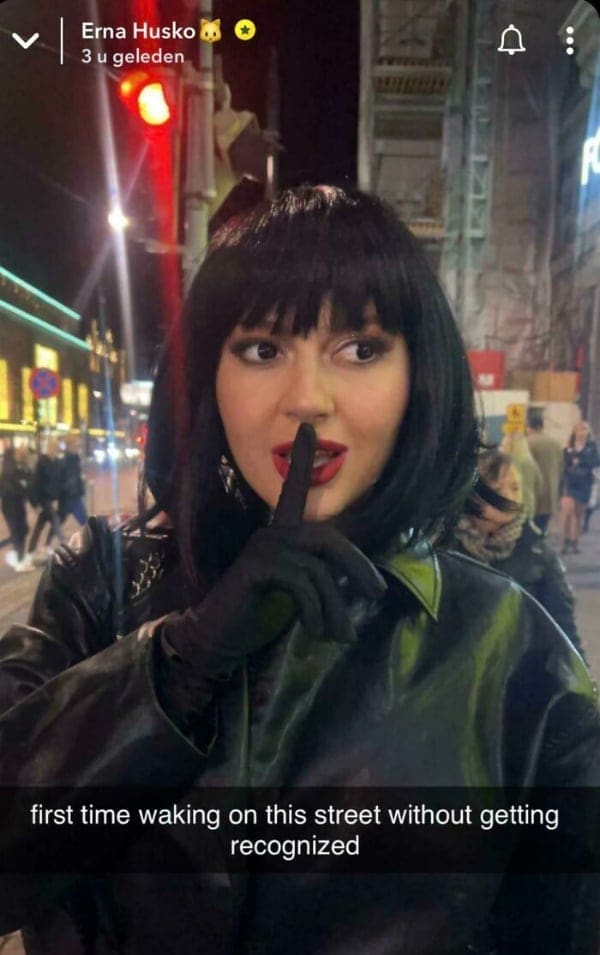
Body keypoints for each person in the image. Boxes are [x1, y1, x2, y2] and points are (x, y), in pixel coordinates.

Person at [0, 187, 598, 954]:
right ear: (207, 376)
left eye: (361, 348)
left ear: (420, 374)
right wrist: (177, 667)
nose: (308, 399)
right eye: (262, 348)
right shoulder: (101, 588)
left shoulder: (513, 651)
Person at [452, 449, 585, 661]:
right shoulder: (447, 550)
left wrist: (581, 677)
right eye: (497, 489)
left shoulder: (538, 554)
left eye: (515, 488)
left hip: (521, 674)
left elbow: (565, 633)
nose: (510, 497)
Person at [560, 420, 600, 554]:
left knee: (577, 515)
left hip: (584, 483)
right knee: (566, 513)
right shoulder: (568, 448)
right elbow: (564, 464)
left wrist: (581, 461)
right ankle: (565, 541)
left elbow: (596, 462)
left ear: (588, 432)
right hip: (569, 483)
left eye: (584, 430)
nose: (581, 433)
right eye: (578, 430)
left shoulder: (592, 447)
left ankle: (574, 542)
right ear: (574, 432)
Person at [26, 435, 65, 559]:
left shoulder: (58, 462)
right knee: (55, 521)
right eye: (53, 446)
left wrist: (57, 499)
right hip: (44, 499)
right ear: (49, 447)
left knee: (40, 525)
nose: (55, 449)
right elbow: (35, 484)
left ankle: (31, 550)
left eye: (56, 447)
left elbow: (58, 482)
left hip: (52, 499)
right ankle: (64, 546)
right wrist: (36, 504)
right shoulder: (42, 462)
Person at [526, 409, 564, 534]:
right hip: (551, 495)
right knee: (542, 528)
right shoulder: (556, 444)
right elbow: (561, 469)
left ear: (529, 427)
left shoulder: (528, 443)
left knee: (531, 531)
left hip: (534, 495)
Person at [0, 446, 35, 573]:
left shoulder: (19, 469)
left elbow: (29, 482)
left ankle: (18, 556)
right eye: (16, 454)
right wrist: (23, 486)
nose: (18, 455)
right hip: (10, 506)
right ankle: (19, 561)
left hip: (19, 505)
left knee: (23, 530)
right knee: (17, 532)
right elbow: (15, 489)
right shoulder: (8, 472)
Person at [499, 431, 542, 521]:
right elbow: (539, 483)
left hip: (508, 505)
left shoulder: (503, 463)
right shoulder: (530, 461)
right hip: (528, 505)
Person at [57, 436, 88, 529]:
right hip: (70, 496)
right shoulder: (68, 460)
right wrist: (73, 489)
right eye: (76, 445)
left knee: (58, 522)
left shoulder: (75, 458)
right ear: (70, 446)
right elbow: (69, 478)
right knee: (85, 522)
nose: (78, 447)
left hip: (72, 495)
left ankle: (50, 537)